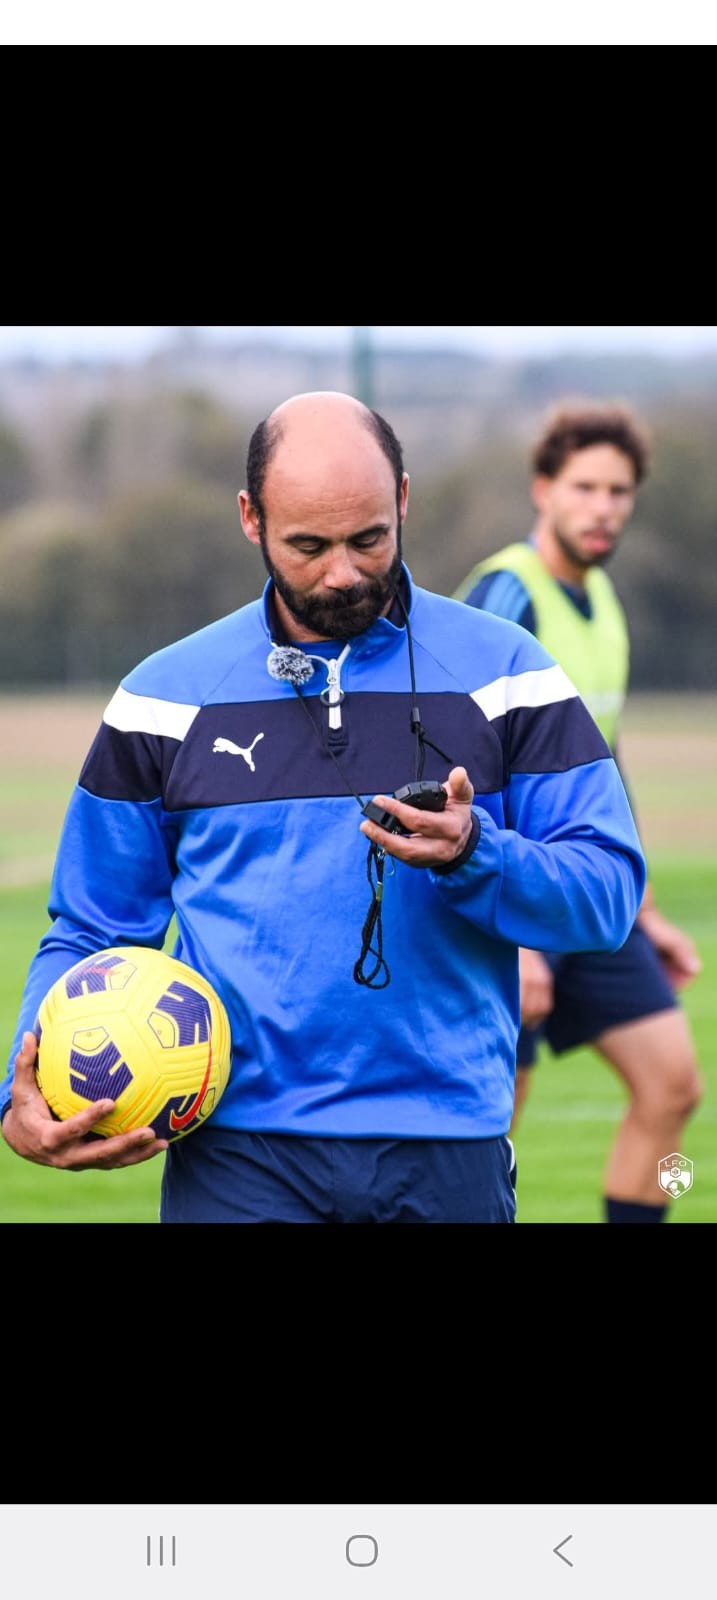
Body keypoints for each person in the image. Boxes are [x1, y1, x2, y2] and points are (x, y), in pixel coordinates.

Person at [1, 391, 646, 1224]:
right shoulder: (162, 698)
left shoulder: (508, 674)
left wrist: (475, 855)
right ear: (250, 518)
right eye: (307, 545)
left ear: (403, 501)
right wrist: (23, 1084)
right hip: (237, 1157)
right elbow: (92, 928)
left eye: (369, 539)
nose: (342, 572)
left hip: (448, 1147)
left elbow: (604, 895)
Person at [455, 399, 702, 1223]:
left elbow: (604, 769)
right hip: (508, 899)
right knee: (486, 1134)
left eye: (619, 491)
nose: (604, 507)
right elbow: (467, 769)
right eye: (586, 486)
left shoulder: (603, 603)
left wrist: (645, 905)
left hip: (586, 889)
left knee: (672, 1090)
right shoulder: (505, 594)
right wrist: (520, 937)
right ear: (543, 489)